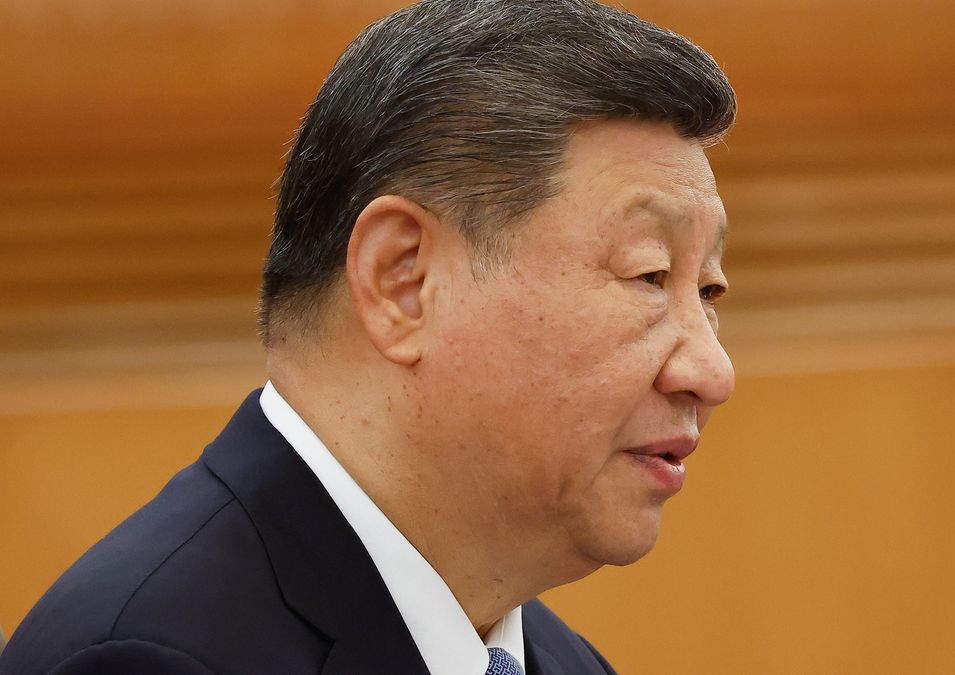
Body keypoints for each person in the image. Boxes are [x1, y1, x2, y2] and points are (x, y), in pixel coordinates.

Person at [0, 0, 736, 672]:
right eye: (649, 274)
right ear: (402, 281)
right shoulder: (153, 658)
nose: (711, 371)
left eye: (708, 291)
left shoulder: (565, 663)